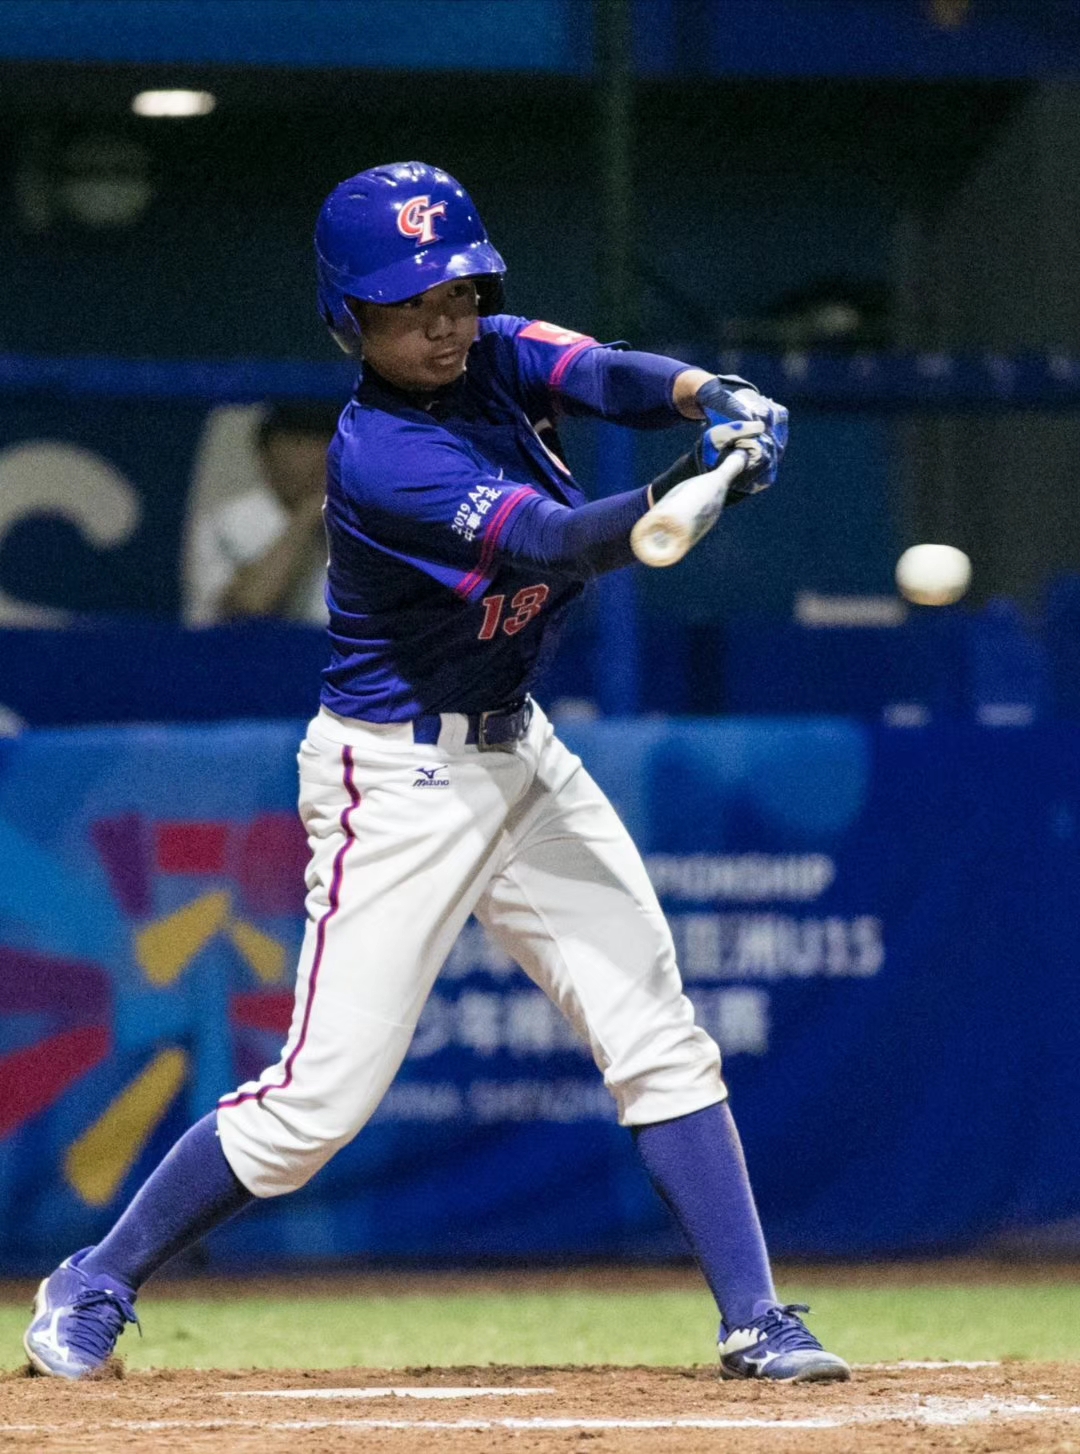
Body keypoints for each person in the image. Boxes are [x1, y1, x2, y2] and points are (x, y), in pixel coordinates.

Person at [25, 161, 849, 1385]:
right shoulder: (381, 454)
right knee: (316, 1106)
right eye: (410, 306)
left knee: (655, 1028)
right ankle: (95, 1277)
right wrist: (686, 486)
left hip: (519, 749)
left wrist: (710, 395)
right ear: (349, 317)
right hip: (396, 777)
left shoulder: (497, 354)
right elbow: (552, 540)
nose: (445, 323)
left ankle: (756, 1316)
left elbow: (607, 372)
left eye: (458, 292)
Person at [187, 402, 339, 625]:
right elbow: (249, 607)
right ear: (267, 452)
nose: (319, 455)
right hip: (249, 647)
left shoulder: (367, 519)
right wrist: (307, 516)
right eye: (300, 442)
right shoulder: (231, 522)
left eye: (328, 441)